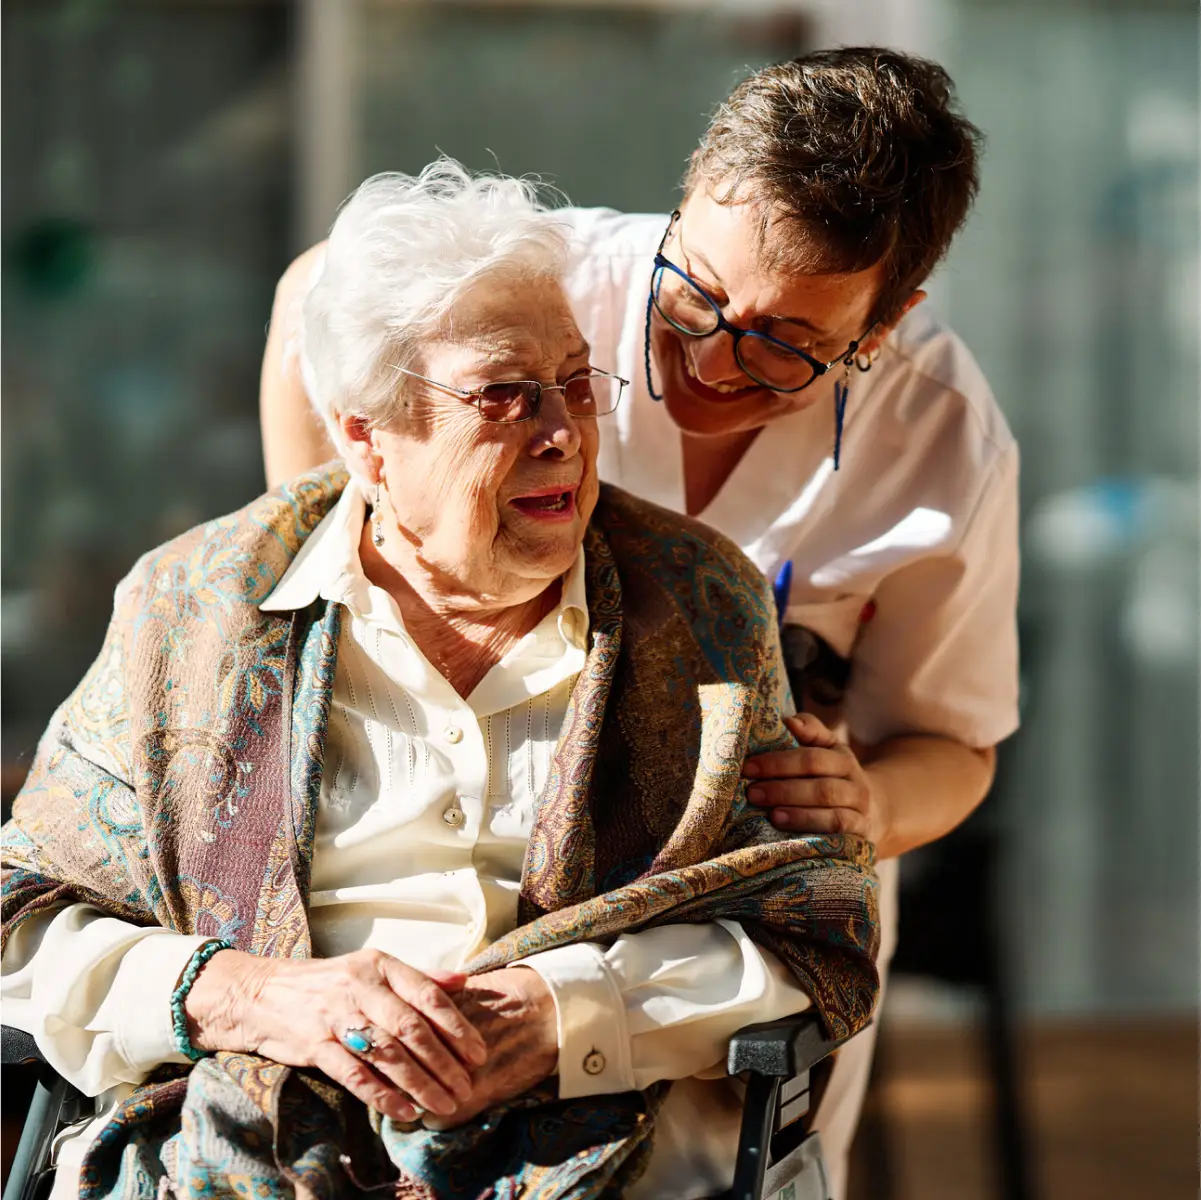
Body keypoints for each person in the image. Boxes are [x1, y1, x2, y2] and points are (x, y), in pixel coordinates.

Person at [1, 163, 878, 1200]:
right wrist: (247, 997)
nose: (564, 432)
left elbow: (807, 932)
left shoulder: (697, 605)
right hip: (250, 1150)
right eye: (505, 395)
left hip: (600, 1158)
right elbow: (27, 925)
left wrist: (568, 1018)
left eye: (575, 381)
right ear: (367, 440)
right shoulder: (193, 611)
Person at [257, 45, 1020, 1198]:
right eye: (695, 295)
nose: (713, 357)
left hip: (728, 915)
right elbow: (316, 292)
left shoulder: (941, 438)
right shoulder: (549, 285)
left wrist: (869, 805)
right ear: (679, 206)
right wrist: (322, 562)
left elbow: (954, 748)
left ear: (886, 319)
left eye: (782, 345)